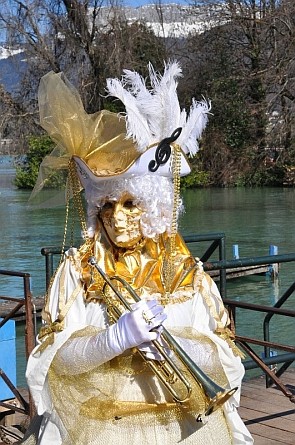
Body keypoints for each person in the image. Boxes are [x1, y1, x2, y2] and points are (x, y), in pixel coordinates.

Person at [26, 62, 253, 444]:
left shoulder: (186, 272)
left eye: (131, 204)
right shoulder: (78, 270)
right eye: (107, 205)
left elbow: (228, 362)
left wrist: (174, 346)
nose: (116, 218)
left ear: (156, 205)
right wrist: (113, 340)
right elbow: (51, 366)